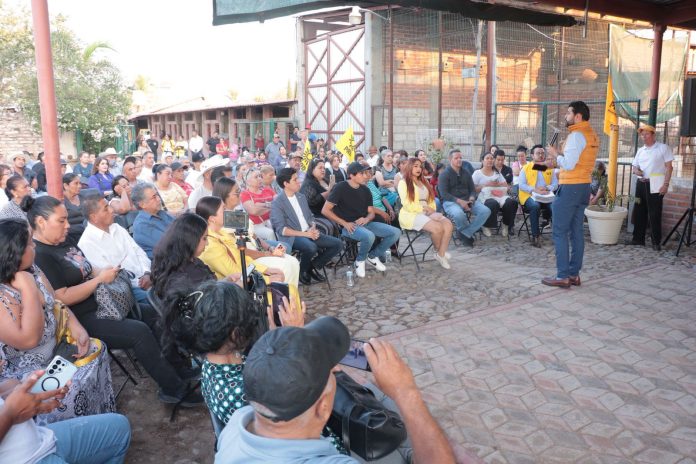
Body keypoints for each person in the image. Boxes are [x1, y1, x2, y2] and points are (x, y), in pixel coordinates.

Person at [27, 196, 202, 407]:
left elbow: (87, 268)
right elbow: (61, 297)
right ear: (41, 222)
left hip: (105, 302)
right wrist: (99, 280)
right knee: (139, 332)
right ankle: (173, 389)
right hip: (83, 316)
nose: (68, 226)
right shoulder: (41, 255)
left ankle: (178, 368)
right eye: (61, 221)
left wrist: (106, 272)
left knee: (155, 313)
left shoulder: (65, 242)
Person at [215, 316, 456, 464]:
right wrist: (406, 391)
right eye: (330, 374)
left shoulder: (239, 423)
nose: (333, 370)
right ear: (323, 407)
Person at [0, 217, 115, 424]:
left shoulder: (32, 269)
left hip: (56, 351)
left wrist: (77, 327)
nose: (35, 246)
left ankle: (100, 419)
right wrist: (28, 287)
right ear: (14, 252)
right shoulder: (6, 292)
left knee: (97, 350)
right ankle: (78, 431)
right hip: (26, 373)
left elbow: (54, 302)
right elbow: (28, 340)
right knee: (69, 389)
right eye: (29, 243)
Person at [0, 371, 131, 463]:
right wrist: (11, 413)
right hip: (25, 460)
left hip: (41, 439)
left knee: (119, 428)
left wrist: (26, 390)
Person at [543, 101, 599, 288]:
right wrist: (560, 156)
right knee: (576, 232)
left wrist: (555, 153)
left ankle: (563, 276)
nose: (566, 116)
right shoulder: (591, 134)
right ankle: (574, 274)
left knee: (559, 231)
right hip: (583, 186)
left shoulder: (576, 136)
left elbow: (568, 164)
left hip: (570, 187)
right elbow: (579, 161)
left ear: (578, 116)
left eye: (568, 113)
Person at [322, 162, 401, 278]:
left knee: (396, 232)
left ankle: (372, 256)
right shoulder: (340, 187)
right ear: (351, 175)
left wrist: (366, 218)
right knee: (369, 236)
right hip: (348, 226)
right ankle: (360, 260)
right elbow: (325, 210)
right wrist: (344, 223)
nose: (365, 176)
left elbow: (371, 212)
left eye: (365, 173)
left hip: (366, 224)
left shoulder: (365, 189)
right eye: (361, 173)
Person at [196, 196, 294, 287]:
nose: (227, 212)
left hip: (247, 274)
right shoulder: (210, 244)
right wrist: (266, 278)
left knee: (287, 268)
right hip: (236, 288)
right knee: (284, 271)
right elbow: (233, 273)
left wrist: (266, 269)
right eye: (223, 209)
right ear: (212, 219)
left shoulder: (221, 233)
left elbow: (243, 258)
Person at [78, 194, 154, 312]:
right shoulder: (87, 243)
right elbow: (112, 277)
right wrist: (141, 282)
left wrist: (147, 273)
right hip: (129, 289)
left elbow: (139, 252)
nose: (112, 210)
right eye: (106, 209)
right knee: (162, 302)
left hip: (148, 277)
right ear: (94, 217)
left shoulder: (117, 228)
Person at [272, 168, 343, 285]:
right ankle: (303, 270)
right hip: (293, 237)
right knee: (311, 247)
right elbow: (282, 230)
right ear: (286, 184)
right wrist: (306, 234)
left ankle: (310, 266)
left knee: (338, 244)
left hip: (309, 232)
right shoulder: (277, 202)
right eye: (295, 180)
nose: (299, 181)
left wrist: (313, 227)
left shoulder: (301, 197)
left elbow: (310, 217)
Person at [398, 158, 454, 269]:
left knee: (448, 224)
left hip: (427, 212)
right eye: (415, 166)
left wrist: (431, 211)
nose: (418, 169)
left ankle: (440, 254)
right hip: (411, 214)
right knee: (437, 228)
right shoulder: (403, 183)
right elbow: (407, 205)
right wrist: (426, 210)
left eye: (420, 166)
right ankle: (439, 252)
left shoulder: (424, 182)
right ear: (409, 167)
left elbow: (431, 200)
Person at [629, 124, 674, 250]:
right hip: (641, 183)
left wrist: (666, 184)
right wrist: (637, 171)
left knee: (654, 213)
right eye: (642, 134)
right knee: (639, 211)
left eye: (647, 134)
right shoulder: (641, 150)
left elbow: (669, 168)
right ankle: (638, 239)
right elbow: (634, 167)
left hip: (655, 183)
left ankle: (656, 242)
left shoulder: (663, 148)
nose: (644, 136)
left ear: (653, 135)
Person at [439, 149, 491, 247]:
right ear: (450, 159)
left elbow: (472, 189)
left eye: (460, 158)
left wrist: (471, 199)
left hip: (467, 200)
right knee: (459, 214)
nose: (459, 160)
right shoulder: (444, 174)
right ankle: (466, 235)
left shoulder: (466, 172)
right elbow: (444, 194)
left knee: (485, 211)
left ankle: (465, 233)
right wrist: (460, 202)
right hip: (451, 202)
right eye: (456, 158)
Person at [518, 144, 558, 247]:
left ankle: (558, 235)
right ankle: (535, 236)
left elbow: (555, 184)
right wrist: (534, 189)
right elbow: (521, 185)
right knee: (535, 206)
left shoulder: (549, 168)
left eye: (542, 153)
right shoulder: (526, 168)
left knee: (556, 206)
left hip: (546, 196)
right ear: (532, 155)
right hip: (529, 196)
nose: (541, 155)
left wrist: (547, 188)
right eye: (538, 153)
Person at [472, 153, 517, 238]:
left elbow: (506, 185)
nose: (490, 160)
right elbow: (472, 189)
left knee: (512, 203)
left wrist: (497, 184)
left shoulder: (497, 172)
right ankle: (485, 225)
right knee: (493, 203)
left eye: (491, 158)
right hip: (484, 197)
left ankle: (505, 224)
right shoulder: (477, 173)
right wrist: (486, 185)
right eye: (487, 158)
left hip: (499, 195)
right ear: (482, 160)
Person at [132, 182, 175, 258]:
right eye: (154, 197)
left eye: (157, 195)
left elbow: (180, 228)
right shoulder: (142, 226)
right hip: (168, 260)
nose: (159, 199)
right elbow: (170, 245)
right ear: (142, 204)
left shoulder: (160, 213)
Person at [300, 158, 340, 235]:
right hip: (315, 215)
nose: (323, 170)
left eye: (324, 168)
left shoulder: (325, 180)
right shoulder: (308, 184)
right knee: (330, 225)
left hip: (329, 211)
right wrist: (329, 192)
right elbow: (312, 201)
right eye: (320, 168)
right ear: (312, 169)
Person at [240, 168, 277, 241]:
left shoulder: (268, 190)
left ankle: (285, 246)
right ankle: (275, 248)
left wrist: (261, 205)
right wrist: (272, 206)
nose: (260, 179)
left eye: (260, 176)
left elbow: (279, 204)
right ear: (247, 181)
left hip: (273, 221)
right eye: (256, 177)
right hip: (257, 226)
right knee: (270, 233)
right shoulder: (245, 194)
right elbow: (254, 211)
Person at [62, 173, 86, 247]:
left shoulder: (83, 197)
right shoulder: (61, 201)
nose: (80, 186)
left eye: (80, 183)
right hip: (71, 236)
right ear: (66, 186)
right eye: (76, 183)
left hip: (87, 232)